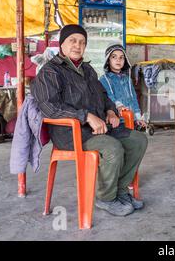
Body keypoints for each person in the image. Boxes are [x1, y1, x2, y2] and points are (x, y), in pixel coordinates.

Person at [31, 24, 148, 217]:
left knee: (138, 140)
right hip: (72, 133)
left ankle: (119, 191)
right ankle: (106, 198)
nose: (77, 46)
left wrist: (110, 111)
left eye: (82, 42)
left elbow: (103, 95)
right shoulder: (50, 72)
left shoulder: (88, 69)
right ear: (62, 44)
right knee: (112, 148)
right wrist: (84, 116)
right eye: (72, 41)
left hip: (101, 126)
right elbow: (49, 107)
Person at [99, 44, 147, 129]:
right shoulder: (104, 79)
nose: (118, 60)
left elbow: (133, 98)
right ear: (108, 60)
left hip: (132, 120)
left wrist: (138, 118)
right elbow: (109, 97)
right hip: (117, 122)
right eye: (114, 57)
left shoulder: (127, 79)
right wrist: (119, 106)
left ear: (125, 60)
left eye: (121, 57)